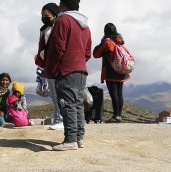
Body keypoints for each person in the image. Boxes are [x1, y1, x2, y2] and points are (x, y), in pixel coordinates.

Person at [44, 0, 92, 151]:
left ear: (63, 5)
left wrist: (51, 68)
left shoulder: (64, 20)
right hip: (81, 70)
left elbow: (58, 47)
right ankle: (79, 138)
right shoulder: (85, 25)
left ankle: (70, 139)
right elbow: (88, 51)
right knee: (78, 104)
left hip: (66, 70)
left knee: (66, 104)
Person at [93, 23, 130, 123]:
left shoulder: (107, 42)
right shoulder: (119, 41)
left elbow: (96, 54)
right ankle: (119, 115)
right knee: (119, 94)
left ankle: (116, 116)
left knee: (114, 94)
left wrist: (102, 43)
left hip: (111, 72)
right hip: (122, 71)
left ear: (105, 31)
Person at [36, 3, 63, 131]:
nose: (44, 18)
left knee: (59, 94)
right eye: (42, 15)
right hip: (48, 64)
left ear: (54, 14)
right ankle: (57, 119)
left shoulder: (59, 27)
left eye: (46, 15)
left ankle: (61, 120)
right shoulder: (44, 29)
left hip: (59, 65)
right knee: (53, 94)